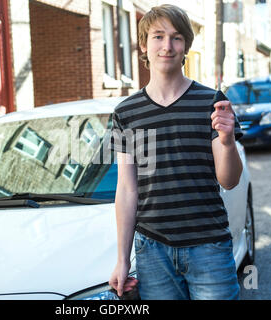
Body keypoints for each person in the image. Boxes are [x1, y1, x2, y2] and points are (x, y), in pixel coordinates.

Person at [108, 4, 243, 300]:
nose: (167, 46)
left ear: (186, 47)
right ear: (144, 45)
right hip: (152, 252)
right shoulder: (126, 112)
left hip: (209, 247)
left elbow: (229, 180)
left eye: (176, 37)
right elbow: (127, 189)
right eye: (158, 36)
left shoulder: (213, 103)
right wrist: (122, 258)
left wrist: (228, 140)